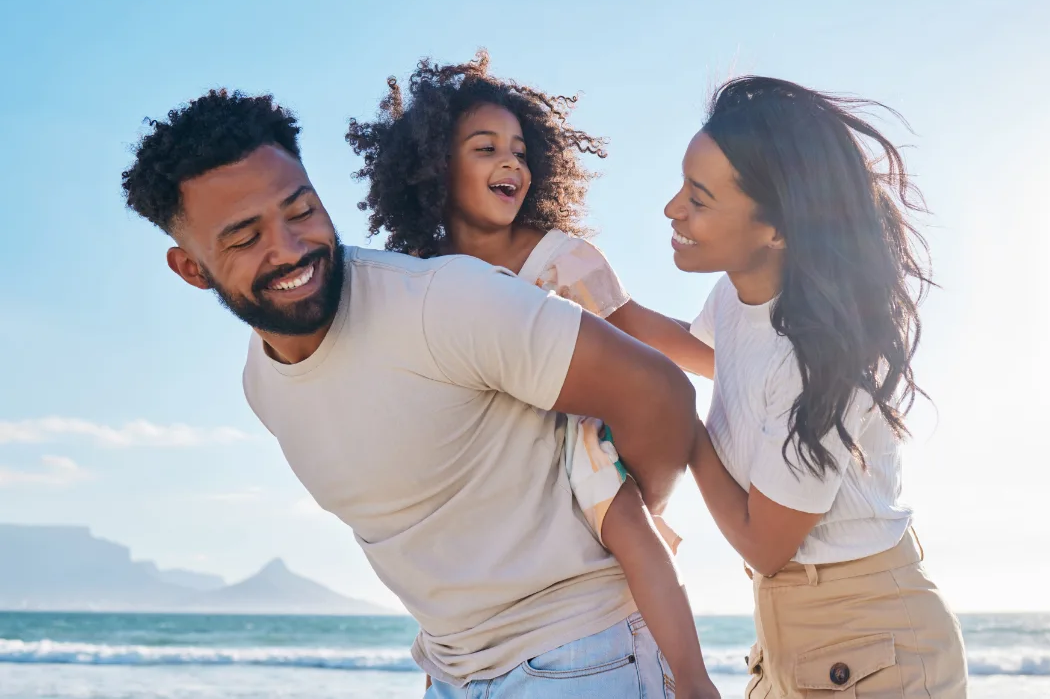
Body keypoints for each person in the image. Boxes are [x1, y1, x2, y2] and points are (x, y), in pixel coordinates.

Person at [121, 88, 700, 698]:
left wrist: (623, 512)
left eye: (301, 211)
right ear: (191, 267)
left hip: (582, 656)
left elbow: (660, 395)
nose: (289, 248)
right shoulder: (261, 383)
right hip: (452, 673)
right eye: (243, 237)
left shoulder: (443, 303)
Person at [346, 51, 718, 699]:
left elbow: (637, 327)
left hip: (566, 440)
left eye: (519, 150)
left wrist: (733, 359)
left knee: (629, 526)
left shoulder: (559, 260)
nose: (510, 162)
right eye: (485, 148)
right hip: (481, 467)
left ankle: (691, 678)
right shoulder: (421, 276)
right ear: (436, 167)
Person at [667, 77, 968, 698]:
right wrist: (585, 295)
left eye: (699, 198)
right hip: (795, 633)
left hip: (871, 642)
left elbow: (764, 542)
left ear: (776, 229)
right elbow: (711, 358)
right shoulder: (738, 295)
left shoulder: (822, 357)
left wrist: (679, 425)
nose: (673, 209)